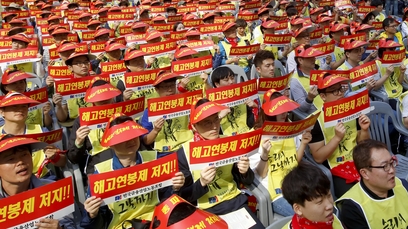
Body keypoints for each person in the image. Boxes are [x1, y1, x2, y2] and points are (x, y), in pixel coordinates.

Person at [81, 114, 194, 229]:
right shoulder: (101, 174)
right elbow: (96, 223)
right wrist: (92, 214)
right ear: (112, 145)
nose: (131, 141)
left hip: (157, 221)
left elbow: (167, 197)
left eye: (134, 135)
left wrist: (175, 187)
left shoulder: (156, 159)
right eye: (123, 138)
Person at [189, 100, 265, 229]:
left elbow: (248, 179)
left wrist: (244, 171)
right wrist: (201, 183)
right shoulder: (184, 152)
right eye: (207, 123)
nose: (214, 126)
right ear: (194, 126)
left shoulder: (230, 143)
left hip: (235, 203)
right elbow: (183, 196)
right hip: (205, 212)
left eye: (216, 120)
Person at [251, 90, 312, 217]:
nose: (284, 114)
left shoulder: (289, 127)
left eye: (285, 109)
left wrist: (304, 143)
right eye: (279, 111)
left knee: (322, 208)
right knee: (308, 216)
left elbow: (295, 161)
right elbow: (261, 173)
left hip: (295, 182)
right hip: (275, 193)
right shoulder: (255, 137)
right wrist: (265, 154)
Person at [309, 73, 371, 197]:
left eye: (341, 89)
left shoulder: (353, 110)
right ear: (323, 96)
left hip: (358, 160)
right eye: (334, 91)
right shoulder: (315, 121)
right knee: (357, 196)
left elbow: (364, 144)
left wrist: (364, 130)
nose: (340, 93)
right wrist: (337, 138)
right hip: (336, 169)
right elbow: (318, 157)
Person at [0, 134, 76, 229]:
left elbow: (71, 225)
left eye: (24, 155)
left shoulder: (53, 191)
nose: (20, 162)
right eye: (11, 159)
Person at [281, 161, 345, 229]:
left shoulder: (331, 219)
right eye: (319, 202)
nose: (329, 206)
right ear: (298, 209)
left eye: (329, 195)